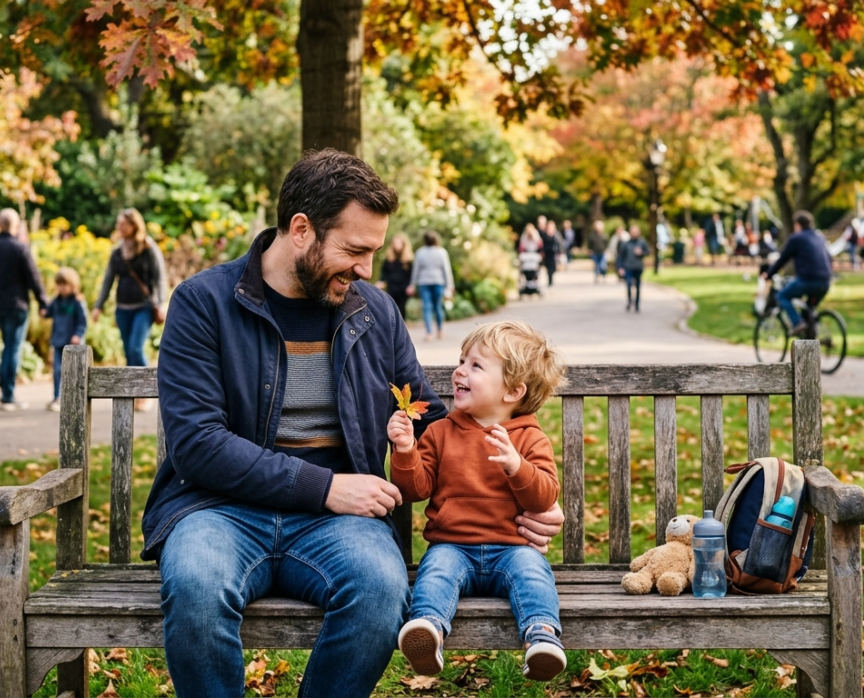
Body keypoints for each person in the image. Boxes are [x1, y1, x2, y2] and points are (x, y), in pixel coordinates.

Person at [143, 149, 563, 698]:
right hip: (218, 509)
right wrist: (327, 487)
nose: (366, 270)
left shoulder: (374, 311)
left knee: (382, 589)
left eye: (373, 252)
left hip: (340, 525)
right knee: (196, 585)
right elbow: (198, 445)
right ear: (301, 230)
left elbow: (433, 421)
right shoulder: (204, 303)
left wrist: (529, 498)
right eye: (355, 251)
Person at [390, 321, 568, 682]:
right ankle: (427, 629)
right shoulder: (441, 432)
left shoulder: (530, 439)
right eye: (461, 360)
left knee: (533, 575)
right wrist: (406, 450)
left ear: (513, 391)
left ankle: (542, 638)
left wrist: (517, 468)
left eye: (476, 365)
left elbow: (545, 495)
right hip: (452, 545)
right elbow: (416, 489)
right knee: (436, 572)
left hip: (512, 547)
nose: (460, 370)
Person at [0, 208, 49, 410]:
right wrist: (44, 302)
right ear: (15, 226)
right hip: (17, 306)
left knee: (7, 345)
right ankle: (8, 393)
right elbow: (33, 278)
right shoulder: (20, 249)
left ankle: (5, 390)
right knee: (12, 347)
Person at [93, 208, 167, 382]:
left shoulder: (148, 248)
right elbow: (108, 281)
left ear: (134, 225)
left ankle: (149, 388)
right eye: (118, 224)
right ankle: (132, 393)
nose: (120, 228)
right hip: (122, 308)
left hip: (144, 307)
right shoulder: (117, 252)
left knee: (136, 348)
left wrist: (160, 302)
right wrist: (98, 305)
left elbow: (160, 277)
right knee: (128, 352)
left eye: (123, 224)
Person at [762, 211, 833, 336]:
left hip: (807, 280)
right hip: (825, 281)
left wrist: (769, 274)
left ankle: (797, 323)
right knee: (808, 315)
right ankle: (808, 337)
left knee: (782, 296)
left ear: (797, 225)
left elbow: (782, 259)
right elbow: (829, 258)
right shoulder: (819, 237)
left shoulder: (796, 238)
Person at [45, 268, 89, 412]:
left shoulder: (77, 302)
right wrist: (44, 311)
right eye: (59, 284)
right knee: (57, 370)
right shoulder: (56, 301)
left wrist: (78, 334)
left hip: (73, 344)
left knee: (75, 372)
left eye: (65, 285)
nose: (62, 288)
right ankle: (58, 397)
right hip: (58, 341)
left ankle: (75, 398)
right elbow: (48, 313)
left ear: (73, 285)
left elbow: (83, 321)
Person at [408, 230, 455, 341]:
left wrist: (412, 284)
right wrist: (450, 285)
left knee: (427, 308)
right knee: (437, 307)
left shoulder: (420, 252)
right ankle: (440, 330)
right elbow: (446, 270)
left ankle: (429, 333)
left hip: (424, 283)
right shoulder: (441, 252)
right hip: (438, 282)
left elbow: (416, 270)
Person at [378, 233, 413, 320]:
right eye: (395, 243)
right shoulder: (389, 259)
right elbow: (384, 272)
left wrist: (411, 286)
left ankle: (402, 327)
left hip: (403, 288)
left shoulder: (409, 260)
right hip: (392, 287)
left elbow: (412, 274)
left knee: (401, 308)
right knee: (392, 308)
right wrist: (381, 281)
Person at [618, 224, 651, 312]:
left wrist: (641, 253)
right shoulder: (626, 244)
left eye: (636, 232)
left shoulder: (642, 243)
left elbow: (648, 252)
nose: (634, 234)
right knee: (628, 285)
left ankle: (637, 304)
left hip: (638, 267)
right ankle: (629, 301)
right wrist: (620, 267)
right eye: (633, 232)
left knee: (637, 286)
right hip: (628, 267)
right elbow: (621, 256)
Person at [540, 221, 560, 286]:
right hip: (547, 253)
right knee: (548, 268)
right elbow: (542, 244)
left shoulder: (556, 234)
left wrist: (560, 251)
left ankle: (551, 278)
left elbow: (559, 243)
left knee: (553, 268)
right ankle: (550, 281)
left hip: (553, 253)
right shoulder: (544, 234)